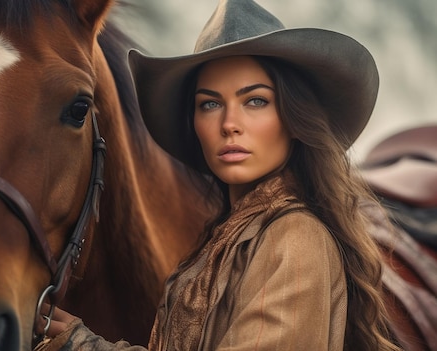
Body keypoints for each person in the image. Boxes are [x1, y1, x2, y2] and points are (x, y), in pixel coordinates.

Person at [35, 0, 402, 350]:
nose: (228, 124)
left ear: (293, 118)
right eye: (209, 103)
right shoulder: (223, 237)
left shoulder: (294, 237)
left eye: (255, 100)